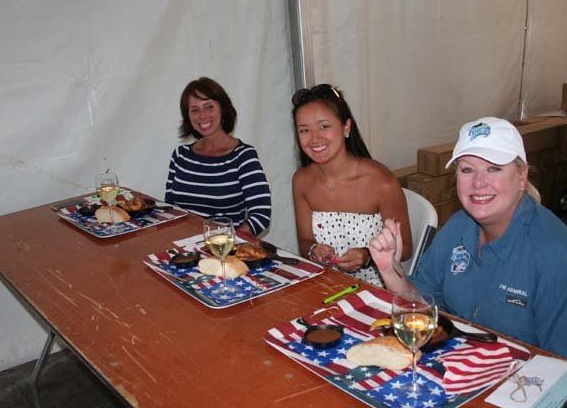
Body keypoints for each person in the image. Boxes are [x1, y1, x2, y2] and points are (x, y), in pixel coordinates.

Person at [368, 117, 567, 371]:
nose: (478, 183)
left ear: (522, 176)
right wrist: (390, 269)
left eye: (494, 168)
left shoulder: (560, 261)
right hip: (463, 366)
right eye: (467, 170)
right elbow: (420, 306)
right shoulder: (457, 227)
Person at [292, 84, 411, 287]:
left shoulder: (381, 181)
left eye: (324, 126)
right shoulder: (301, 181)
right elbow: (304, 242)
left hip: (376, 288)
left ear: (346, 127)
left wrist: (367, 256)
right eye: (304, 130)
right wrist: (313, 250)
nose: (314, 138)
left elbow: (406, 247)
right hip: (326, 285)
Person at [165, 77, 271, 236]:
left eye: (209, 107)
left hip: (223, 246)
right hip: (182, 245)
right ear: (188, 116)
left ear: (222, 109)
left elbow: (261, 214)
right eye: (195, 110)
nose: (202, 116)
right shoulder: (180, 156)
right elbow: (170, 209)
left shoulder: (243, 156)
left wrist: (230, 242)